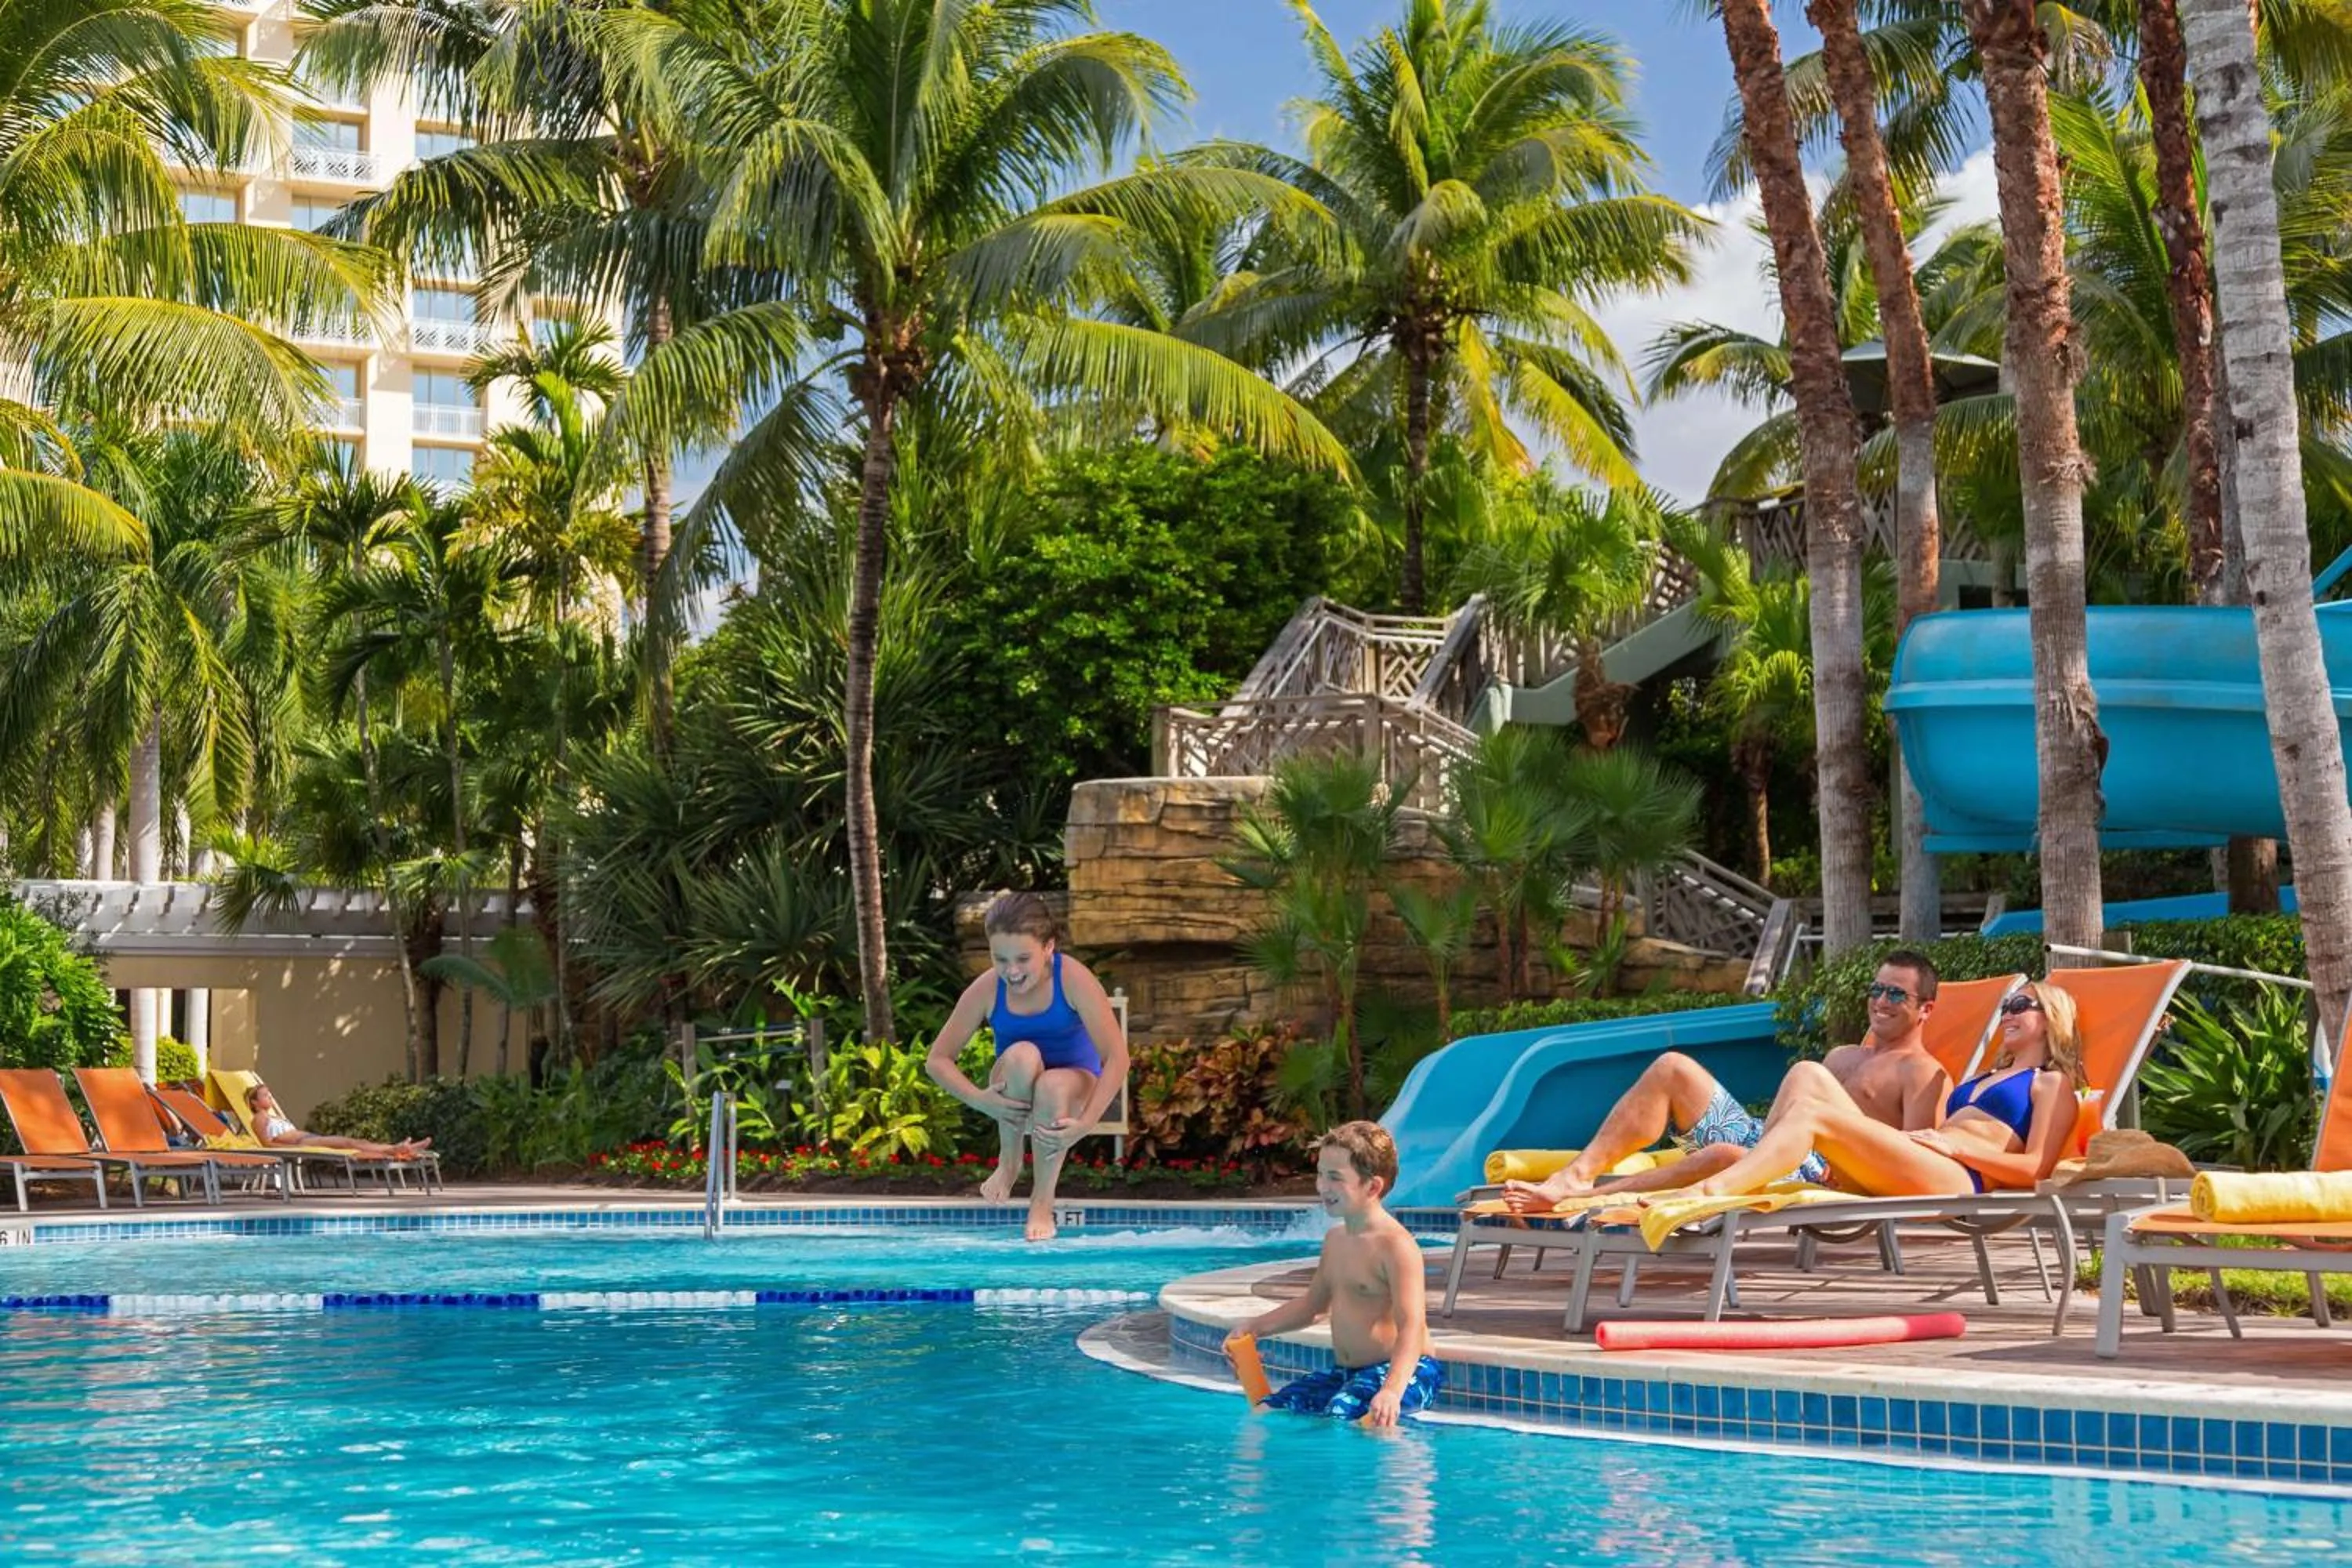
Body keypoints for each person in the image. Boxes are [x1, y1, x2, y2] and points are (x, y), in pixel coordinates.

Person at [1502, 951, 1953, 1212]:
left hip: (1831, 1173)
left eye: (1897, 994)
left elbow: (1913, 1159)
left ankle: (1594, 1198)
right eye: (1877, 990)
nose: (1881, 1001)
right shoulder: (1843, 1055)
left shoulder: (1924, 1073)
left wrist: (1850, 1163)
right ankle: (1577, 1180)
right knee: (1673, 1068)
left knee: (1799, 1078)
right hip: (1772, 1145)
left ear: (1927, 1009)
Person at [1683, 978, 2085, 1200]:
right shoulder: (1983, 1077)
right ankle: (1767, 1169)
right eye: (2005, 1008)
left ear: (2050, 1019)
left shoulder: (2050, 1083)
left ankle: (1715, 1190)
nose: (2007, 1015)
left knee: (1811, 1113)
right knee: (1807, 1075)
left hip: (1960, 1176)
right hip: (1921, 1160)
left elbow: (2037, 1170)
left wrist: (1958, 1149)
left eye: (2019, 1007)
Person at [925, 891, 1131, 1241]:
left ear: (1049, 947)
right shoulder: (988, 989)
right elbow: (937, 1060)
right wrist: (980, 1099)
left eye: (1023, 958)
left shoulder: (1073, 979)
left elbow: (1117, 1057)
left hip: (1073, 1084)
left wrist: (1087, 1122)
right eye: (1000, 959)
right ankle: (1009, 1163)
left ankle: (1041, 1200)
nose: (1012, 971)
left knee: (1051, 1084)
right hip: (1016, 1086)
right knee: (1022, 1055)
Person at [1225, 1122, 1441, 1427]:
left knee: (1341, 1418)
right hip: (1349, 1373)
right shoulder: (1336, 1240)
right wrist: (1253, 1328)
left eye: (1335, 1178)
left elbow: (1412, 1327)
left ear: (1373, 1187)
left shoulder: (1396, 1246)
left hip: (1408, 1371)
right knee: (1274, 1411)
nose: (1322, 1186)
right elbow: (1313, 1307)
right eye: (1321, 1174)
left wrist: (1392, 1391)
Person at [247, 1085, 430, 1160]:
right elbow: (266, 1144)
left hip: (309, 1139)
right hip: (302, 1143)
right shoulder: (260, 1118)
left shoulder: (273, 1117)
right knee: (350, 1143)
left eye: (269, 1093)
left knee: (361, 1144)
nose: (269, 1096)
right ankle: (399, 1149)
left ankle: (400, 1149)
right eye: (264, 1095)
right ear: (254, 1103)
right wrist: (293, 1150)